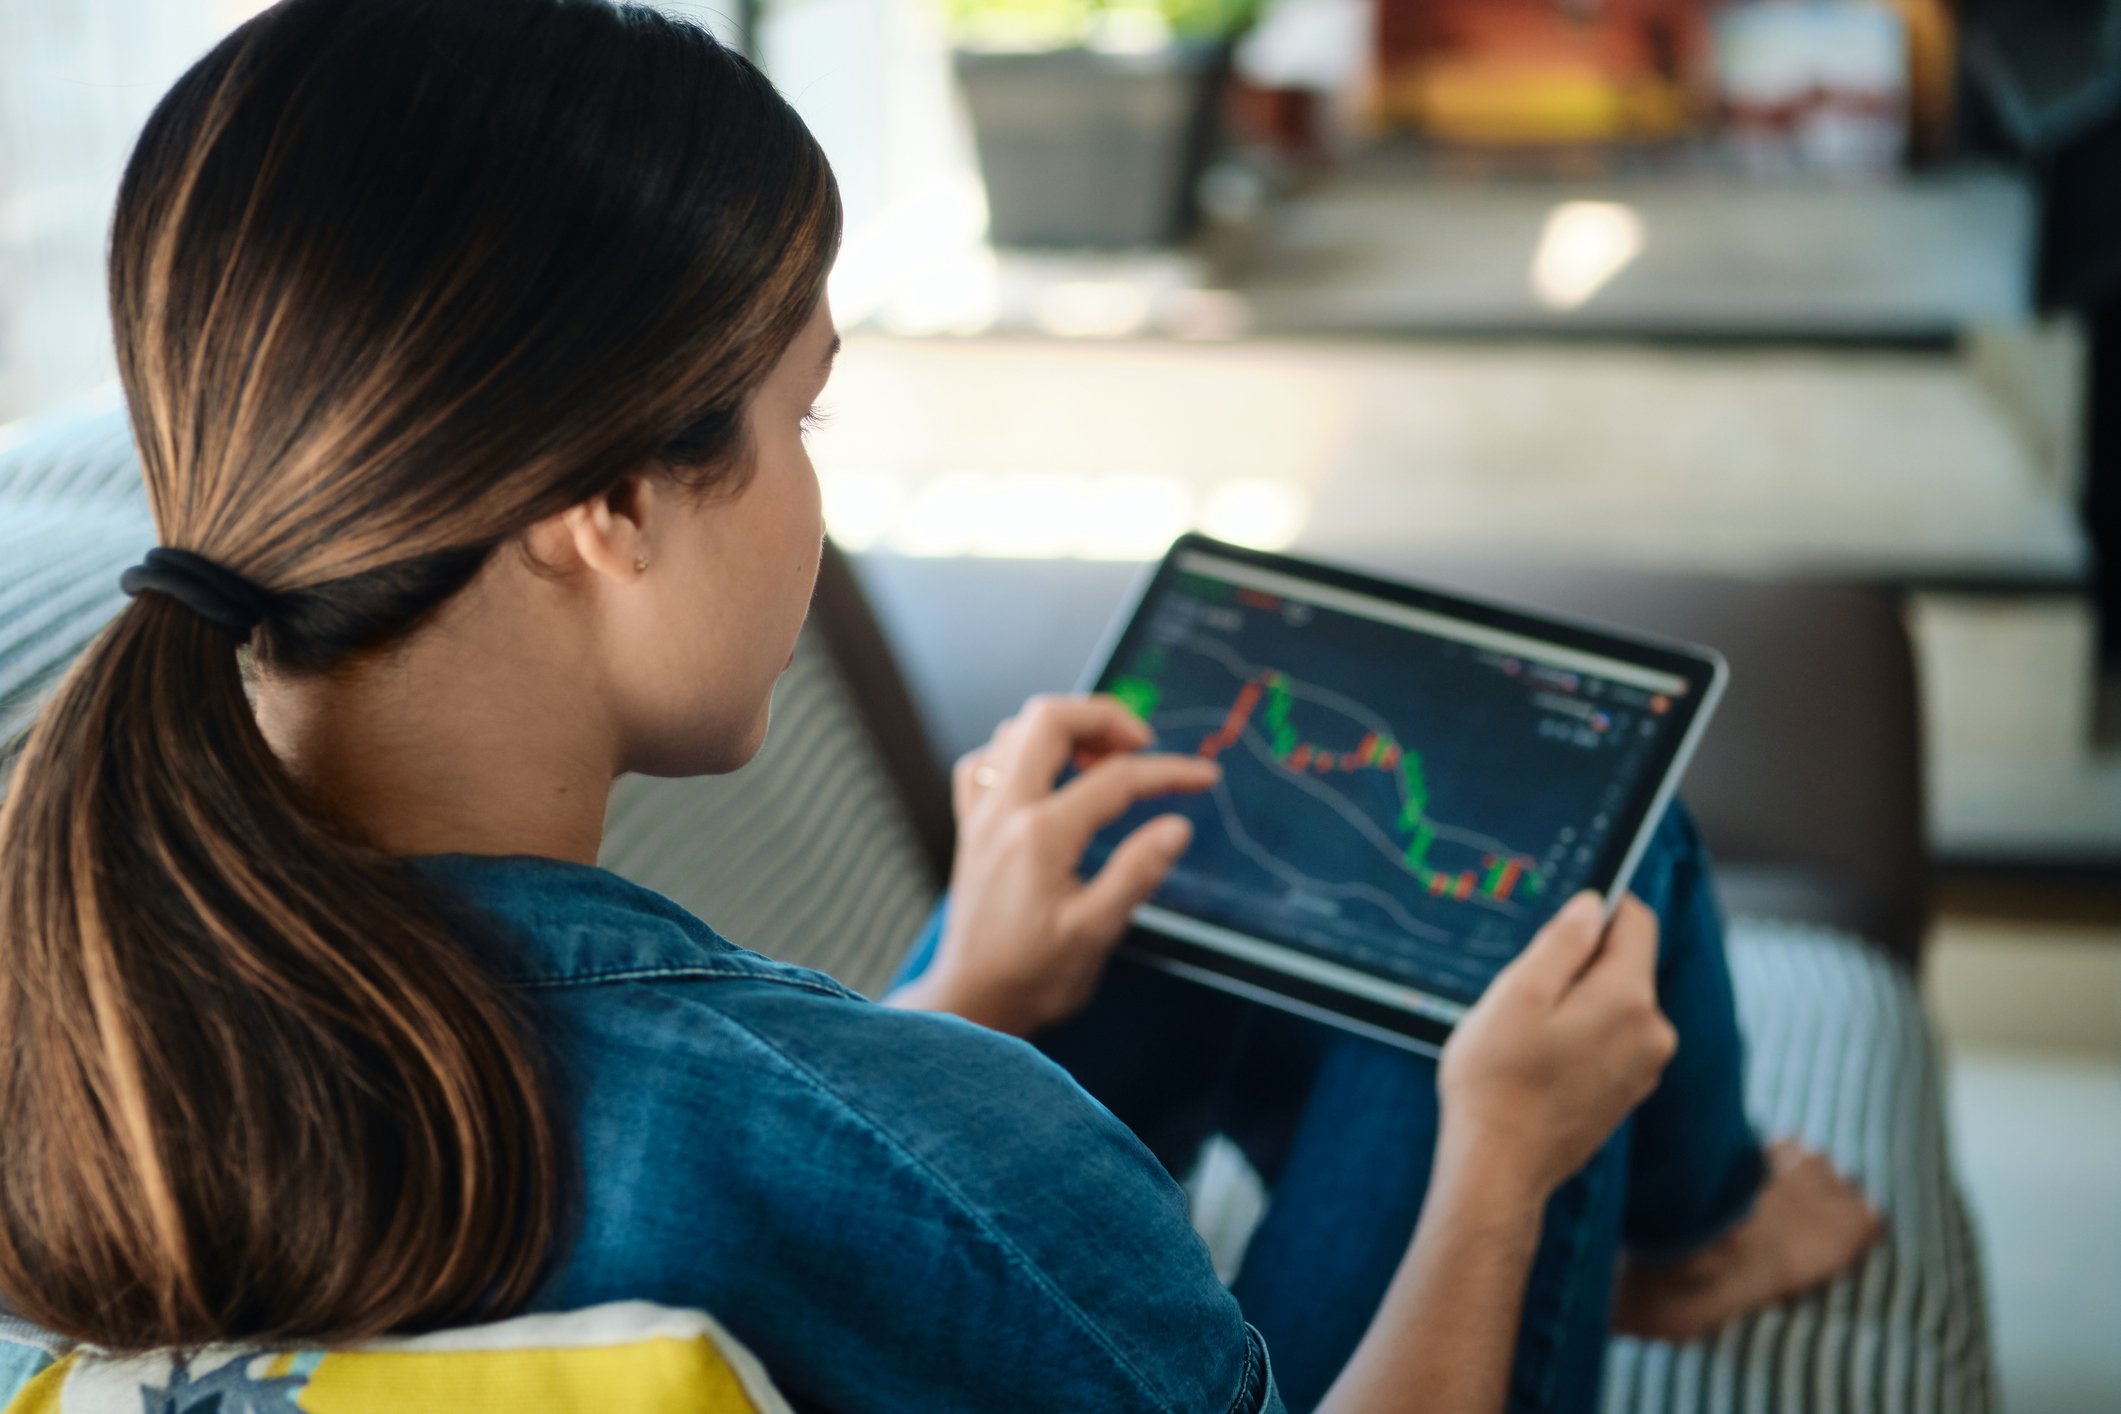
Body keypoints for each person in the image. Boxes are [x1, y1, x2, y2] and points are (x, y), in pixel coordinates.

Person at [0, 2, 1880, 1410]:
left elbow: (695, 1198)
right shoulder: (917, 1135)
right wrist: (1501, 1165)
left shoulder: (88, 994)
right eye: (800, 413)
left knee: (1186, 855)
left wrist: (959, 993)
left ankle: (1667, 1206)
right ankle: (1683, 1220)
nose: (818, 491)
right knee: (1558, 885)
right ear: (610, 506)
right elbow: (805, 1166)